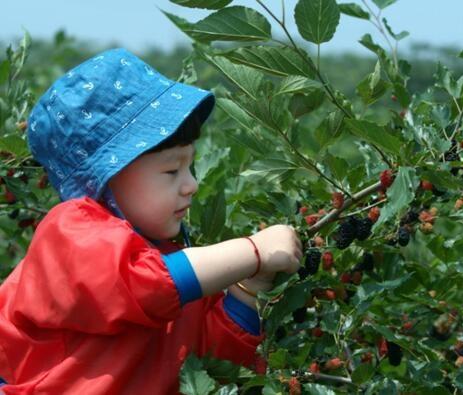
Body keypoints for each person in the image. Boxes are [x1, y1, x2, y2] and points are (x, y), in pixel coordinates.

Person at [0, 48, 302, 394]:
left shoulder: (170, 254)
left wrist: (251, 288)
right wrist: (251, 251)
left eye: (189, 166)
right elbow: (145, 285)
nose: (192, 184)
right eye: (172, 170)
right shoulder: (71, 232)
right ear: (106, 178)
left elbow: (212, 363)